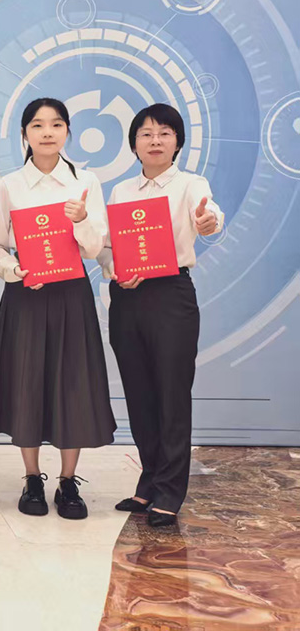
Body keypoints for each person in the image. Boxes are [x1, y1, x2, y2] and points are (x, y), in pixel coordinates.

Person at [0, 97, 115, 520]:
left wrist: (81, 219)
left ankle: (68, 480)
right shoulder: (8, 185)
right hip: (25, 293)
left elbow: (94, 248)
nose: (47, 132)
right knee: (27, 382)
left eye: (56, 124)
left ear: (67, 132)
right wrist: (11, 269)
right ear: (24, 133)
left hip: (70, 295)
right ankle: (32, 478)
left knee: (71, 383)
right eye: (37, 125)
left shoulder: (85, 182)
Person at [99, 104, 222, 528]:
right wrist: (113, 268)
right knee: (139, 393)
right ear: (134, 143)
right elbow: (108, 246)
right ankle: (149, 480)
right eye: (146, 133)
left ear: (177, 142)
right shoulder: (121, 191)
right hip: (127, 296)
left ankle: (170, 490)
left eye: (164, 133)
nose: (155, 140)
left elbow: (210, 215)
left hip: (170, 294)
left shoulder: (191, 185)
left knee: (171, 393)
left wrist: (208, 221)